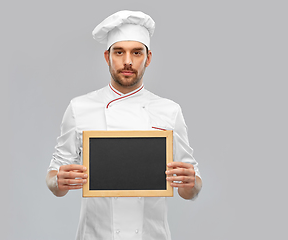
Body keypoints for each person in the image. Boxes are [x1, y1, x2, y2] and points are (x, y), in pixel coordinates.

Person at [46, 10, 202, 240]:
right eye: (119, 52)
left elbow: (190, 188)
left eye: (136, 53)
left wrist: (191, 182)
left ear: (148, 58)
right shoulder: (79, 108)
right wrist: (58, 180)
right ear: (107, 57)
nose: (128, 61)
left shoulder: (169, 110)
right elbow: (55, 176)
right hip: (95, 235)